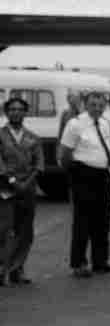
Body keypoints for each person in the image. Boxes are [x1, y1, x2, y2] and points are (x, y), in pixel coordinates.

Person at [58, 90, 110, 277]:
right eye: (93, 105)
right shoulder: (75, 124)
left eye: (101, 105)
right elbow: (65, 153)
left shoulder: (105, 124)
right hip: (83, 173)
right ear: (85, 104)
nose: (97, 109)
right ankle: (79, 263)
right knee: (82, 221)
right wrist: (75, 173)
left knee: (102, 220)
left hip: (102, 175)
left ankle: (100, 261)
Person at [0, 97, 44, 286]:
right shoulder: (0, 136)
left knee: (25, 230)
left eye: (20, 109)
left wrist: (27, 183)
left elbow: (39, 164)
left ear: (25, 113)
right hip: (5, 189)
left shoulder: (33, 137)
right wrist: (12, 181)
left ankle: (18, 268)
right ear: (6, 112)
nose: (16, 112)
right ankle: (2, 269)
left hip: (28, 188)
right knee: (5, 229)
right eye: (12, 109)